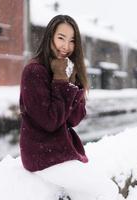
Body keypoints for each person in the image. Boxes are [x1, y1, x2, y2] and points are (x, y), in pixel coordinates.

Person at [19, 15, 89, 172]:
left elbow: (74, 119)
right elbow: (50, 122)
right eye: (61, 38)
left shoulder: (65, 69)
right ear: (50, 37)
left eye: (72, 41)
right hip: (40, 154)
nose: (66, 46)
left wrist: (71, 81)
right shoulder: (34, 71)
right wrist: (60, 81)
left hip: (59, 149)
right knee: (101, 190)